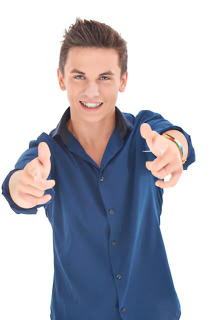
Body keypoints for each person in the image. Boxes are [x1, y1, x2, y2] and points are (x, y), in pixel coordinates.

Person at [1, 17, 196, 320]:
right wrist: (20, 187)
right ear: (61, 78)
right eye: (79, 77)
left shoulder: (144, 133)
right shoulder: (47, 153)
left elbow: (177, 139)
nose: (92, 91)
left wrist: (175, 149)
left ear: (123, 80)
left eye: (105, 78)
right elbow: (18, 180)